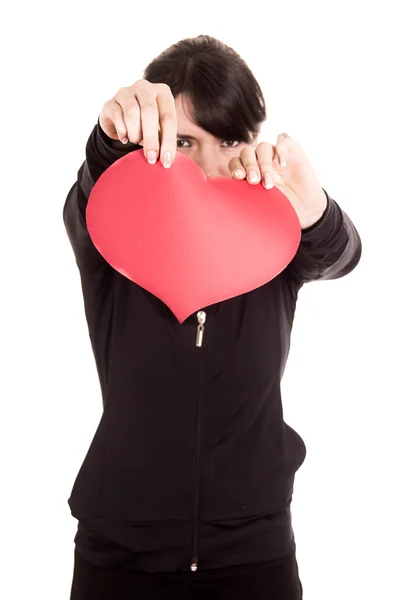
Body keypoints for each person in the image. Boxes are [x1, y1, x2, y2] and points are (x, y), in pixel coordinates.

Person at [63, 34, 362, 599]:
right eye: (180, 140)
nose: (204, 165)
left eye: (228, 141)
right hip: (118, 551)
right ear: (144, 143)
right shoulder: (109, 230)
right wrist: (108, 138)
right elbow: (91, 189)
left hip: (256, 552)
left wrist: (313, 209)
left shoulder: (275, 237)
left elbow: (343, 255)